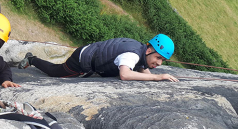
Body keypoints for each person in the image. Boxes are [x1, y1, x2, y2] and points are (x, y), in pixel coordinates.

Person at [18, 34, 179, 82]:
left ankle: (32, 59)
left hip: (91, 54)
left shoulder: (139, 50)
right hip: (82, 60)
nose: (158, 63)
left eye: (162, 61)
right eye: (158, 58)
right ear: (149, 50)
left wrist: (151, 76)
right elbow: (125, 74)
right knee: (56, 72)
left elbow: (142, 67)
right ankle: (32, 59)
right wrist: (158, 77)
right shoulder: (132, 54)